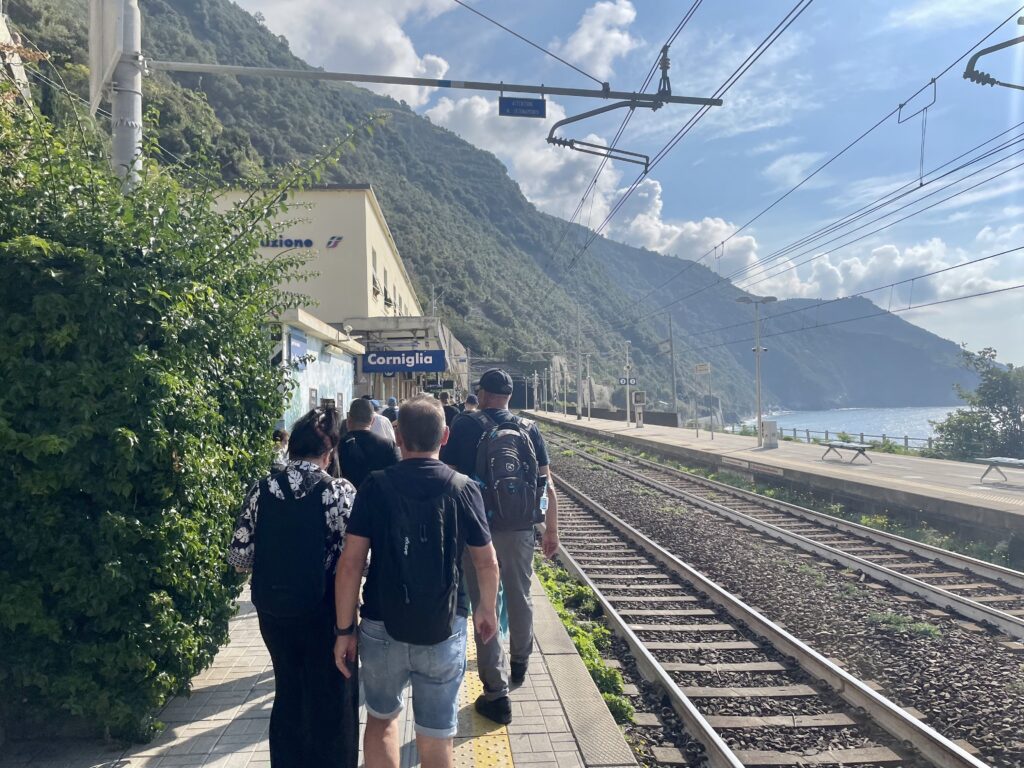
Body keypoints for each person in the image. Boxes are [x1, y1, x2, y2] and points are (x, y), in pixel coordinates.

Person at [333, 396, 500, 768]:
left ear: (398, 436)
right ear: (445, 436)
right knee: (437, 730)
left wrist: (344, 629)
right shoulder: (463, 487)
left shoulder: (375, 487)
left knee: (381, 719)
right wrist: (485, 609)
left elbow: (351, 564)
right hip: (444, 626)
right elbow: (486, 561)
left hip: (380, 624)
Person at [229, 407, 358, 768]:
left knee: (288, 692)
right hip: (326, 614)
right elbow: (360, 560)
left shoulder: (261, 489)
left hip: (274, 612)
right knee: (331, 698)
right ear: (328, 452)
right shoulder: (337, 491)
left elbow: (239, 558)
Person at [440, 368, 559, 725]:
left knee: (484, 603)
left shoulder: (465, 425)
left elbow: (448, 477)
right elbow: (546, 485)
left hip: (478, 530)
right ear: (508, 396)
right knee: (520, 594)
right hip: (522, 527)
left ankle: (496, 689)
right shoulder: (528, 428)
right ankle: (520, 664)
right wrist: (550, 531)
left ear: (484, 393)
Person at [338, 397, 401, 488]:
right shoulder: (388, 445)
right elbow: (397, 477)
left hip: (346, 499)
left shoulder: (338, 446)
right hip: (379, 499)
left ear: (349, 420)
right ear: (372, 420)